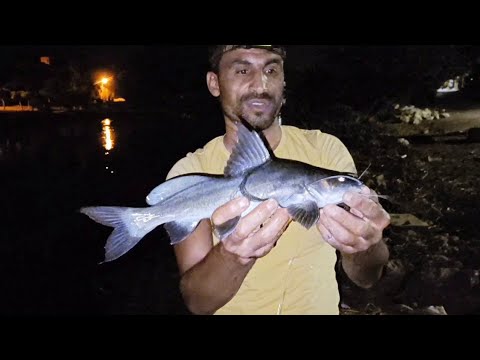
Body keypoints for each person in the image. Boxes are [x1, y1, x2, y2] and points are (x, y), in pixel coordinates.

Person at [166, 45, 391, 315]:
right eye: (242, 69)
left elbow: (366, 277)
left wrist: (365, 244)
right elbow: (197, 302)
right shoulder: (191, 173)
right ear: (214, 83)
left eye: (271, 70)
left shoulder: (325, 151)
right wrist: (233, 256)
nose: (260, 83)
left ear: (284, 82)